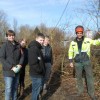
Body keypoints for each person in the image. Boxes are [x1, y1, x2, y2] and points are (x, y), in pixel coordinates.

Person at [68, 25, 100, 100]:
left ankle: (91, 93)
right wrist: (70, 61)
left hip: (87, 62)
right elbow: (70, 52)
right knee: (79, 77)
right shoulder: (72, 42)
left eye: (80, 32)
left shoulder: (87, 40)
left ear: (82, 33)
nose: (79, 34)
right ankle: (80, 91)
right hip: (77, 63)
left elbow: (97, 42)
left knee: (90, 78)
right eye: (78, 32)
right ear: (76, 33)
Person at [0, 30, 24, 100]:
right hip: (8, 71)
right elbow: (1, 58)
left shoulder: (18, 45)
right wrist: (11, 66)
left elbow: (22, 56)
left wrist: (20, 64)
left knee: (15, 87)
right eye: (9, 35)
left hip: (17, 70)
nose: (11, 37)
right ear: (7, 36)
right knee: (8, 88)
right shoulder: (4, 46)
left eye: (13, 35)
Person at [28, 33, 45, 100]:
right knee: (36, 91)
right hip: (36, 74)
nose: (42, 42)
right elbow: (33, 63)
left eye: (43, 40)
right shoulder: (34, 48)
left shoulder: (38, 48)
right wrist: (40, 70)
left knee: (37, 92)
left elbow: (39, 60)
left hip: (38, 74)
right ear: (36, 39)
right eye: (40, 40)